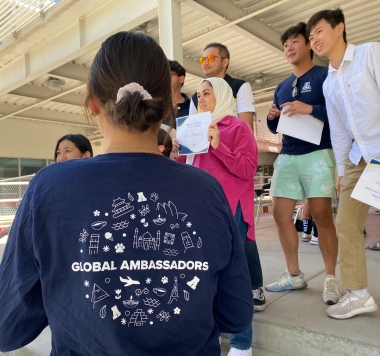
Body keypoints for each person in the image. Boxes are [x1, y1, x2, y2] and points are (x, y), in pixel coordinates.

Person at [0, 32, 253, 355]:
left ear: (92, 101)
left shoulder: (47, 189)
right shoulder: (207, 191)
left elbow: (8, 327)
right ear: (166, 107)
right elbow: (236, 313)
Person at [172, 77, 258, 356]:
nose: (201, 99)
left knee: (233, 274)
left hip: (228, 208)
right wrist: (175, 156)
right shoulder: (192, 129)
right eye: (198, 95)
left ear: (221, 95)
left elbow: (248, 169)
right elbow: (188, 170)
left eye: (207, 93)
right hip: (199, 210)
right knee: (204, 275)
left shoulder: (237, 127)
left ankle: (242, 343)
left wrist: (219, 146)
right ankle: (215, 329)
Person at [307, 8, 380, 319]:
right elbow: (338, 131)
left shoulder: (369, 54)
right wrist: (341, 171)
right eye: (311, 37)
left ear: (340, 28)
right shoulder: (328, 83)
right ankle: (359, 294)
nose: (314, 40)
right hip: (357, 161)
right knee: (346, 224)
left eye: (319, 31)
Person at [265, 22, 341, 306]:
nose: (289, 48)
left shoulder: (325, 75)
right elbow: (275, 128)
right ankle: (293, 274)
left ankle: (331, 278)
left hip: (318, 153)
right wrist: (272, 116)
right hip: (287, 156)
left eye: (294, 42)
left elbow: (339, 113)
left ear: (308, 45)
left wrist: (310, 108)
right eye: (285, 45)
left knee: (322, 215)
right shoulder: (282, 86)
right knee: (281, 214)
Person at [189, 43, 255, 128]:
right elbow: (193, 131)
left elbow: (246, 129)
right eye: (202, 60)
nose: (205, 63)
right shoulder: (195, 97)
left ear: (225, 62)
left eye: (210, 58)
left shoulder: (240, 86)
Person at [162, 60, 190, 130]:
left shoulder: (192, 107)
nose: (166, 78)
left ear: (181, 79)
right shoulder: (157, 106)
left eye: (170, 75)